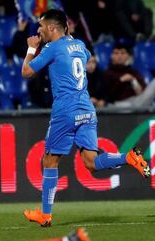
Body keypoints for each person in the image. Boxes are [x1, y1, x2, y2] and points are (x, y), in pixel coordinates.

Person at [21, 9, 150, 227]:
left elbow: (26, 71)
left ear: (52, 28)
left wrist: (32, 47)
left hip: (65, 111)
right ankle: (128, 157)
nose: (38, 30)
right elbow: (87, 58)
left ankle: (45, 214)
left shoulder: (52, 48)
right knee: (91, 163)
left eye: (41, 26)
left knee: (49, 161)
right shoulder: (80, 45)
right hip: (87, 110)